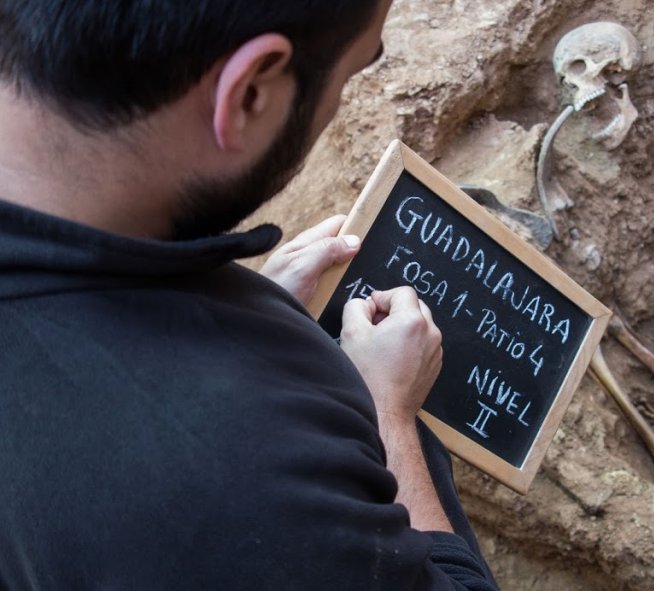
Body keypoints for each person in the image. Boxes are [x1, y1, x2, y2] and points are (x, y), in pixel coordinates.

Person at [0, 1, 498, 589]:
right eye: (353, 72)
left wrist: (242, 314)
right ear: (251, 94)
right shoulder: (247, 483)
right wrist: (386, 414)